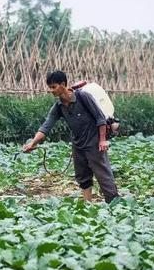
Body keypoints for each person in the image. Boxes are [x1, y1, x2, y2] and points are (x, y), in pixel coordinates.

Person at [22, 70, 119, 203]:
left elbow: (100, 118)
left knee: (103, 174)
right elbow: (46, 126)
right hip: (78, 144)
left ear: (63, 84)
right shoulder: (58, 106)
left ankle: (114, 203)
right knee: (82, 176)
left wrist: (102, 140)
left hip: (94, 142)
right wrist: (33, 143)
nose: (51, 90)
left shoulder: (83, 97)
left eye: (53, 87)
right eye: (49, 87)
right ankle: (87, 204)